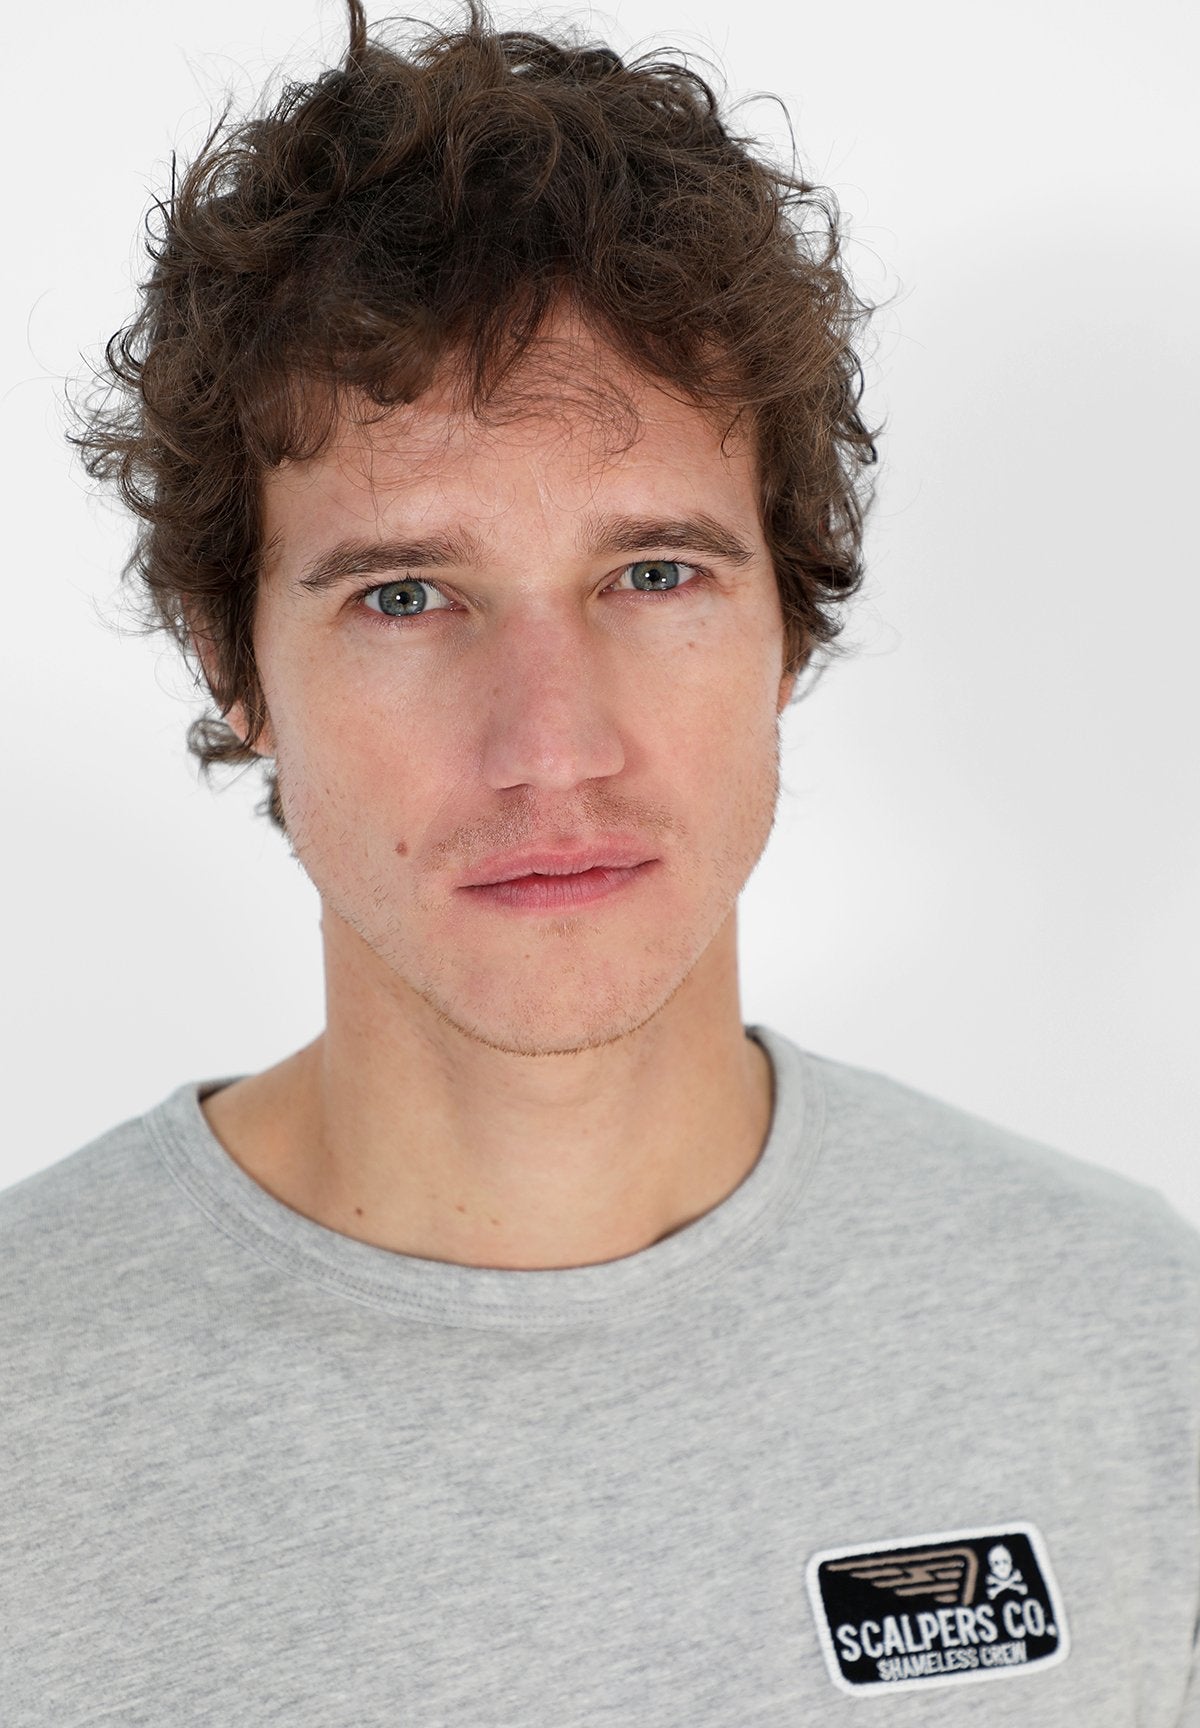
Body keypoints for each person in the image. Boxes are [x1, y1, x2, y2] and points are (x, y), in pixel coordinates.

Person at [2, 2, 1198, 1720]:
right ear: (231, 660)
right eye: (405, 596)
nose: (551, 746)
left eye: (653, 575)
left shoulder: (1132, 1340)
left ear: (789, 621)